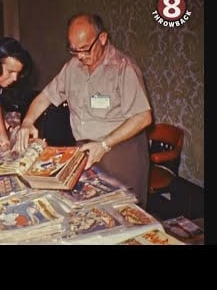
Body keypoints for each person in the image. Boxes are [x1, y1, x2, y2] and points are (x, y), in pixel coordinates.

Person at [15, 13, 152, 208]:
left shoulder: (123, 68)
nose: (80, 56)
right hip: (85, 150)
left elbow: (143, 116)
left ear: (102, 38)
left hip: (120, 151)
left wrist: (104, 145)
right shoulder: (72, 68)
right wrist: (27, 122)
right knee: (93, 211)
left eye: (85, 49)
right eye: (74, 50)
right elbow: (45, 96)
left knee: (125, 212)